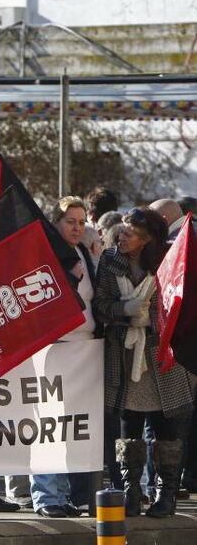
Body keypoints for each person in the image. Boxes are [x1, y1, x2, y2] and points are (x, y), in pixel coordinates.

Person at [93, 208, 193, 518]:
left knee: (166, 428)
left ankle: (166, 495)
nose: (121, 236)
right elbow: (99, 304)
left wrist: (150, 317)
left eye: (129, 233)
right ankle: (131, 493)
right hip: (124, 354)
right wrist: (124, 309)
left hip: (163, 355)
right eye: (121, 230)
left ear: (147, 238)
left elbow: (180, 305)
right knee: (129, 428)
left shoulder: (170, 259)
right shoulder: (110, 261)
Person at [29, 197, 99, 518]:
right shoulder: (44, 254)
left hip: (83, 353)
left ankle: (63, 495)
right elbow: (46, 299)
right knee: (49, 425)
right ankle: (47, 496)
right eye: (71, 221)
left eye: (82, 222)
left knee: (71, 428)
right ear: (55, 223)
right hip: (54, 349)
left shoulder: (83, 251)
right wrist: (69, 276)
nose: (77, 228)